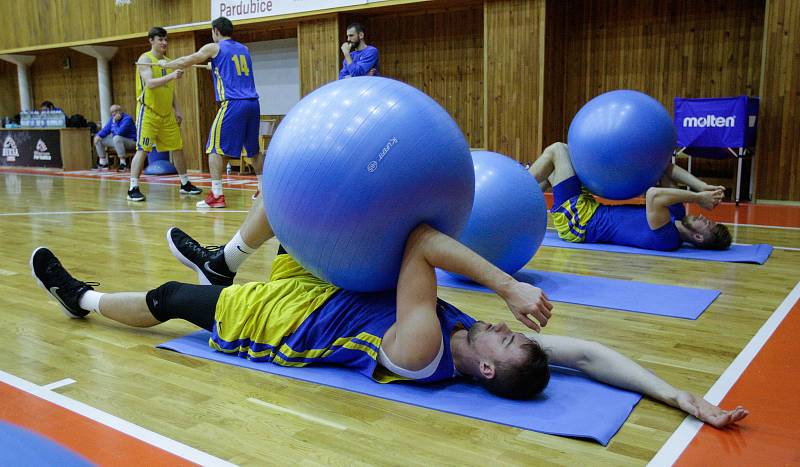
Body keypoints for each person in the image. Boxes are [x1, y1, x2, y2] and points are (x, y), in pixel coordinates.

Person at [31, 225, 747, 425]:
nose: (503, 324)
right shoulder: (478, 344)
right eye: (508, 323)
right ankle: (227, 253)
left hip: (284, 321)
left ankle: (83, 300)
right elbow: (587, 355)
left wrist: (505, 280)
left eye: (504, 335)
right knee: (296, 200)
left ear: (487, 369)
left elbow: (421, 243)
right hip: (334, 282)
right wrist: (680, 396)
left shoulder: (426, 346)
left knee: (167, 298)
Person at [529, 142, 732, 251]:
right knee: (563, 162)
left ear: (697, 237)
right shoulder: (677, 213)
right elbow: (663, 168)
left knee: (557, 150)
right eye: (710, 220)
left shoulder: (667, 238)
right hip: (589, 207)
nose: (706, 218)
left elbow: (654, 195)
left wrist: (698, 198)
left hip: (579, 222)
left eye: (708, 225)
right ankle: (526, 193)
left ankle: (516, 187)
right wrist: (703, 187)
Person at [158, 17, 264, 208]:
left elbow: (187, 60)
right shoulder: (244, 49)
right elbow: (233, 70)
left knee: (213, 148)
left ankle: (217, 195)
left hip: (233, 104)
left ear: (215, 30)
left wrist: (167, 65)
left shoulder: (213, 47)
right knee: (253, 151)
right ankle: (263, 190)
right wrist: (214, 67)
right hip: (253, 103)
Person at [128, 26, 202, 202]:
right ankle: (133, 188)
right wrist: (172, 75)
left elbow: (171, 90)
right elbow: (151, 84)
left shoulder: (168, 62)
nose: (164, 42)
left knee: (177, 148)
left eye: (165, 39)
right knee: (143, 149)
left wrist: (178, 109)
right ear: (151, 41)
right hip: (148, 112)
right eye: (160, 39)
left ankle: (185, 184)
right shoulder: (145, 59)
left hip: (166, 114)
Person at [93, 104, 136, 171]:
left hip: (131, 142)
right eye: (112, 112)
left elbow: (119, 132)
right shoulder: (112, 119)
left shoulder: (127, 119)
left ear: (120, 111)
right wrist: (98, 135)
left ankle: (123, 164)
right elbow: (105, 130)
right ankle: (103, 163)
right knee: (98, 139)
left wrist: (114, 122)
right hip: (118, 141)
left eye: (115, 111)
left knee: (117, 138)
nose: (113, 114)